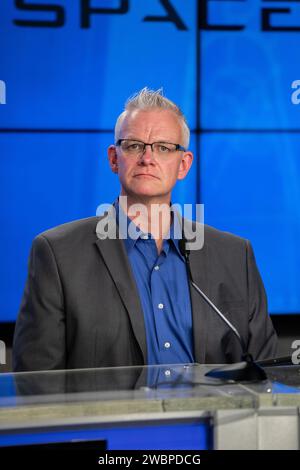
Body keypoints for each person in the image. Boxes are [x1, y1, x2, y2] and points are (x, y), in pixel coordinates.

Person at [13, 88, 278, 372]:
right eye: (134, 145)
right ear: (114, 159)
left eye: (163, 147)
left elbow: (267, 375)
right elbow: (36, 383)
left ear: (183, 165)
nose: (147, 158)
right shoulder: (58, 254)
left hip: (214, 416)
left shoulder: (235, 255)